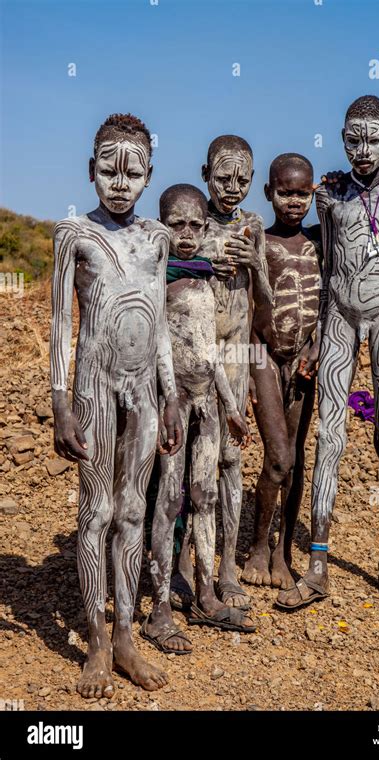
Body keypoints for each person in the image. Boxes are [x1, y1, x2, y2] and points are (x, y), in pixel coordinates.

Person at [50, 113, 182, 698]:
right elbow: (59, 325)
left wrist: (172, 397)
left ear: (150, 175)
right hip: (94, 389)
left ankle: (126, 634)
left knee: (133, 511)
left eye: (133, 172)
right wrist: (60, 402)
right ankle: (97, 642)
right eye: (109, 171)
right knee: (96, 511)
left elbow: (159, 331)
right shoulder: (73, 236)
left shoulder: (158, 239)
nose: (120, 183)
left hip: (147, 393)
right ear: (91, 171)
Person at [277, 96, 379, 611]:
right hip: (339, 318)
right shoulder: (331, 194)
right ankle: (317, 565)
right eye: (352, 139)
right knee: (330, 437)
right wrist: (317, 336)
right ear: (341, 137)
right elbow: (324, 268)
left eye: (373, 139)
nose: (362, 150)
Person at [141, 184, 255, 655]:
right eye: (176, 224)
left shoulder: (206, 282)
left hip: (208, 402)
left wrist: (229, 405)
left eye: (195, 225)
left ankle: (205, 592)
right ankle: (160, 607)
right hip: (173, 403)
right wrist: (170, 399)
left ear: (205, 227)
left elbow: (209, 353)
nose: (186, 234)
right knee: (169, 499)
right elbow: (159, 351)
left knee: (205, 495)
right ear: (161, 224)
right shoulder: (156, 280)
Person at [170, 135, 272, 610]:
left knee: (230, 462)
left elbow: (265, 302)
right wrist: (206, 264)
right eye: (223, 176)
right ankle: (184, 565)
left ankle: (227, 567)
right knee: (191, 465)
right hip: (194, 359)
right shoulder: (191, 220)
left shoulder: (252, 225)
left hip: (235, 358)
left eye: (243, 179)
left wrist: (257, 264)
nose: (233, 186)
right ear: (206, 172)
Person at [241, 153, 321, 591]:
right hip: (264, 357)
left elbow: (330, 302)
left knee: (296, 457)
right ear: (269, 192)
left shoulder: (318, 244)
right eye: (285, 192)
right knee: (278, 458)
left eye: (302, 193)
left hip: (304, 363)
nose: (294, 201)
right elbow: (247, 309)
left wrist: (317, 344)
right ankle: (256, 545)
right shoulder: (260, 243)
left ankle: (283, 548)